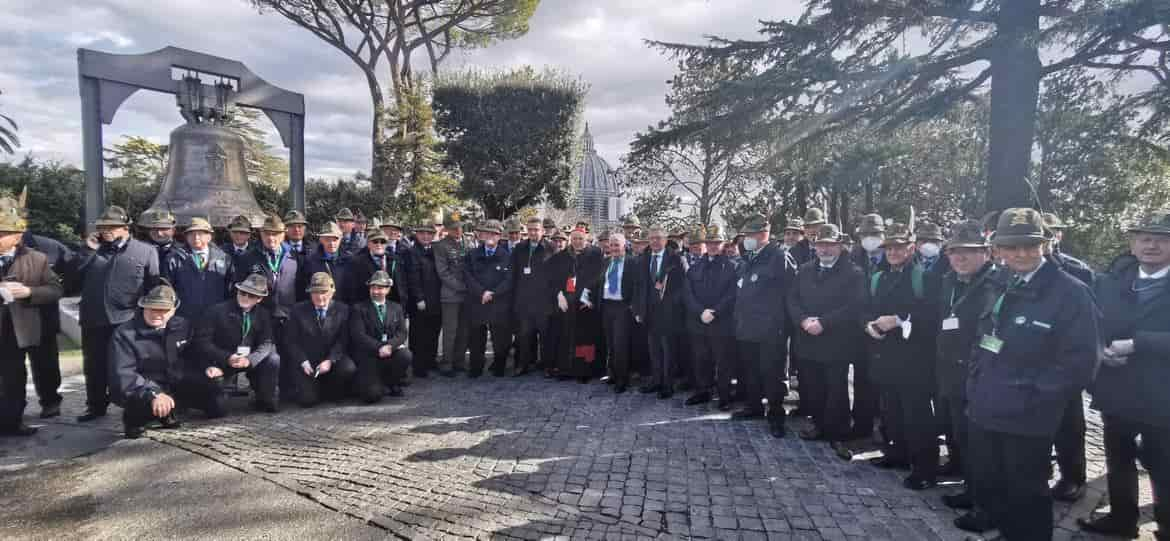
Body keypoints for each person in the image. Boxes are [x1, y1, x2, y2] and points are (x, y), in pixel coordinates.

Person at [966, 208, 1099, 541]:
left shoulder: (1070, 292)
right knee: (997, 484)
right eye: (1012, 246)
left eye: (1030, 245)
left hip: (1028, 414)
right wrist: (976, 381)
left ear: (1045, 245)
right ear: (998, 249)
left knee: (1028, 491)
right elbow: (984, 336)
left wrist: (1033, 395)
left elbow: (1081, 362)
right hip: (988, 404)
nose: (1021, 253)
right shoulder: (1000, 281)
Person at [1076, 209, 1170, 539]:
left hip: (1163, 394)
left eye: (1162, 240)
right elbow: (1093, 323)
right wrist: (1099, 348)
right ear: (1132, 244)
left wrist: (1138, 344)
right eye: (1145, 238)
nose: (1152, 246)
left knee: (1163, 464)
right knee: (1119, 459)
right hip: (1118, 389)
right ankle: (1122, 518)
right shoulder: (1112, 281)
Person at [862, 222, 941, 490]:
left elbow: (933, 317)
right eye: (889, 248)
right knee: (891, 411)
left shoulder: (925, 278)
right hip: (884, 355)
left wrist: (899, 320)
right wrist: (869, 326)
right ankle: (896, 454)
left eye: (899, 247)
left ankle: (924, 469)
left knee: (916, 415)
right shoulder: (878, 277)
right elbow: (865, 309)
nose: (893, 252)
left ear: (911, 248)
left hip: (914, 358)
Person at [934, 220, 1000, 534]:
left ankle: (986, 508)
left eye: (969, 252)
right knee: (962, 437)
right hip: (951, 373)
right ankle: (972, 492)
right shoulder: (951, 281)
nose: (961, 257)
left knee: (982, 447)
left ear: (986, 253)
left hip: (979, 375)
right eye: (955, 252)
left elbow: (990, 335)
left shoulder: (993, 284)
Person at [68, 205, 160, 422]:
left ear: (126, 228)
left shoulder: (146, 251)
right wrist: (87, 250)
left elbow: (152, 286)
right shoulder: (91, 250)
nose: (106, 230)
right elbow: (70, 278)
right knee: (94, 365)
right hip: (94, 318)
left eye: (112, 226)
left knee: (127, 366)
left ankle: (134, 405)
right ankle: (96, 406)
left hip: (127, 319)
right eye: (103, 226)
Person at [788, 224, 865, 459]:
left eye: (830, 245)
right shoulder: (805, 269)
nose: (825, 249)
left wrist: (824, 322)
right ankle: (819, 425)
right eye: (821, 245)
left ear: (840, 246)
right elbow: (792, 299)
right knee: (814, 387)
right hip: (808, 338)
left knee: (837, 389)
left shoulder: (854, 273)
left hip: (836, 341)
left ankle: (838, 432)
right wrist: (802, 320)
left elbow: (854, 306)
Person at [110, 284, 224, 439]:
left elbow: (195, 353)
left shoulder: (183, 325)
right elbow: (123, 375)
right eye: (152, 308)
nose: (157, 314)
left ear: (174, 310)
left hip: (175, 381)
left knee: (216, 396)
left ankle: (172, 410)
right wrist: (154, 393)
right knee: (137, 402)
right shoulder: (124, 334)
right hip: (146, 387)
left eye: (163, 310)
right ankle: (134, 421)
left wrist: (209, 366)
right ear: (143, 306)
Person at [0, 200, 63, 436]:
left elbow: (55, 290)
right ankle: (8, 420)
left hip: (26, 328)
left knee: (27, 374)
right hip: (2, 331)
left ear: (17, 236)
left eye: (3, 233)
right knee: (6, 379)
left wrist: (29, 292)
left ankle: (17, 420)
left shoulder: (38, 259)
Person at [731, 214, 797, 438]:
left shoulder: (779, 257)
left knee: (772, 373)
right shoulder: (750, 257)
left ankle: (776, 415)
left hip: (771, 329)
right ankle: (754, 406)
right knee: (751, 371)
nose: (746, 239)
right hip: (748, 326)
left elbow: (791, 294)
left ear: (763, 235)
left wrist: (783, 326)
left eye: (750, 235)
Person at [188, 273, 280, 412]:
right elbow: (202, 342)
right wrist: (227, 357)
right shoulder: (216, 311)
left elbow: (267, 343)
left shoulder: (263, 314)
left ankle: (264, 397)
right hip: (222, 360)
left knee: (273, 359)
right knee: (217, 410)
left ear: (260, 299)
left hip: (248, 360)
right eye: (243, 293)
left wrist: (250, 360)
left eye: (251, 295)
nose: (245, 297)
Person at [19, 203, 73, 419]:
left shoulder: (50, 247)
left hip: (42, 318)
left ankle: (50, 401)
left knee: (46, 363)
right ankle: (12, 408)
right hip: (9, 320)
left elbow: (72, 274)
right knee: (9, 368)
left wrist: (53, 292)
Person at [682, 227, 738, 408]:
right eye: (710, 242)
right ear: (705, 244)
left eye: (717, 242)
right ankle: (702, 392)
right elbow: (688, 294)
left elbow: (732, 294)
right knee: (701, 359)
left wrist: (715, 312)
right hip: (699, 322)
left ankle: (724, 396)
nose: (713, 246)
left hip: (721, 322)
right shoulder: (695, 267)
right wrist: (700, 312)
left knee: (723, 362)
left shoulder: (732, 267)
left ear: (723, 244)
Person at [285, 272, 356, 407]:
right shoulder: (297, 310)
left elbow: (343, 340)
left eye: (323, 292)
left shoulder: (343, 309)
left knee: (348, 368)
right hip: (308, 362)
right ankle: (314, 388)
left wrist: (330, 360)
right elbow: (291, 341)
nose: (319, 296)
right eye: (315, 292)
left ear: (332, 292)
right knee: (307, 401)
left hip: (331, 360)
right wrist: (303, 361)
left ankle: (331, 389)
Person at [633, 227, 686, 399]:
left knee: (668, 350)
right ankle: (656, 381)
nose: (655, 241)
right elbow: (639, 286)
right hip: (650, 313)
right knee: (653, 349)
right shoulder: (643, 258)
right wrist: (639, 309)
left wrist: (671, 302)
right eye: (652, 238)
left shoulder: (675, 259)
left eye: (658, 238)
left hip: (668, 313)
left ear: (665, 240)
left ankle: (667, 384)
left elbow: (682, 287)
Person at [549, 228, 604, 382]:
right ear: (570, 240)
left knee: (585, 339)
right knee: (566, 337)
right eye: (574, 239)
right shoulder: (562, 256)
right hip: (567, 302)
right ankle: (566, 369)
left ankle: (584, 371)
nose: (577, 242)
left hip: (585, 302)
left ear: (586, 239)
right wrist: (559, 295)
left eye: (580, 238)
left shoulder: (595, 254)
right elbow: (553, 279)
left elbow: (599, 277)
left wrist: (588, 295)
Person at [349, 270, 410, 402]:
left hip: (389, 352)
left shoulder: (396, 308)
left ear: (388, 290)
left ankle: (391, 382)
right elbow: (358, 335)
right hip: (369, 357)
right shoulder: (358, 309)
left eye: (380, 288)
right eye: (373, 287)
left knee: (406, 355)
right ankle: (376, 384)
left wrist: (390, 346)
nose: (376, 291)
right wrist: (379, 347)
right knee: (372, 396)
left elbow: (402, 333)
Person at [464, 220, 512, 377]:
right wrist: (481, 293)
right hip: (477, 301)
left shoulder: (507, 256)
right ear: (482, 235)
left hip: (498, 302)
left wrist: (493, 293)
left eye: (495, 234)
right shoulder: (472, 255)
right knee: (476, 338)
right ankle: (476, 367)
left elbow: (509, 279)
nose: (490, 236)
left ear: (500, 237)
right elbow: (468, 276)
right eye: (487, 233)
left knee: (500, 339)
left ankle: (499, 366)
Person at [509, 217, 555, 377]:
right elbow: (513, 274)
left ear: (542, 231)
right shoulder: (519, 248)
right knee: (524, 336)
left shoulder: (551, 247)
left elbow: (556, 277)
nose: (533, 232)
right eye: (530, 230)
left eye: (536, 229)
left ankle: (548, 366)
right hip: (524, 302)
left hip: (544, 302)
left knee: (546, 337)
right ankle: (523, 365)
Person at [164, 217, 232, 320]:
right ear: (186, 237)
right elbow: (167, 289)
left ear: (209, 236)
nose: (196, 237)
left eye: (200, 233)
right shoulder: (174, 258)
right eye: (191, 234)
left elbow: (230, 289)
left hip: (215, 318)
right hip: (183, 317)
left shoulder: (224, 258)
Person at [598, 232, 640, 393]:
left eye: (617, 245)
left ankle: (622, 379)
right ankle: (613, 374)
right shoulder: (606, 261)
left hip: (623, 307)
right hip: (607, 306)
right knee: (610, 343)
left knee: (620, 344)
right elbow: (600, 282)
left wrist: (633, 306)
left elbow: (638, 285)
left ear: (624, 246)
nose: (614, 248)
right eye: (612, 245)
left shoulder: (632, 262)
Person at [434, 211, 470, 377]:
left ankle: (459, 361)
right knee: (450, 331)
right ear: (447, 229)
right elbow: (443, 273)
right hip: (450, 295)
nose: (458, 231)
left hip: (467, 296)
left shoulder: (467, 243)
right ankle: (447, 363)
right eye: (454, 229)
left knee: (464, 330)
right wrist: (461, 287)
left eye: (460, 228)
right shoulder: (441, 246)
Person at [407, 220, 442, 378]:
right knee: (419, 334)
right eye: (422, 233)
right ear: (417, 234)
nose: (426, 236)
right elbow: (412, 277)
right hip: (420, 300)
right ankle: (419, 366)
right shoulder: (411, 252)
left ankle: (430, 361)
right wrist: (419, 298)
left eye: (429, 233)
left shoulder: (435, 250)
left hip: (436, 298)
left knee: (433, 332)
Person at [348, 228, 409, 307]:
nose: (379, 245)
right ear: (368, 244)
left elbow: (402, 287)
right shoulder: (357, 262)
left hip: (392, 309)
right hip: (367, 309)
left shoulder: (396, 260)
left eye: (382, 242)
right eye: (375, 241)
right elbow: (353, 290)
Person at [304, 221, 352, 303]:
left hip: (344, 309)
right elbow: (305, 287)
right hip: (319, 306)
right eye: (327, 239)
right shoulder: (310, 260)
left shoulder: (350, 260)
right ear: (321, 240)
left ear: (340, 239)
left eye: (335, 239)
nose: (331, 243)